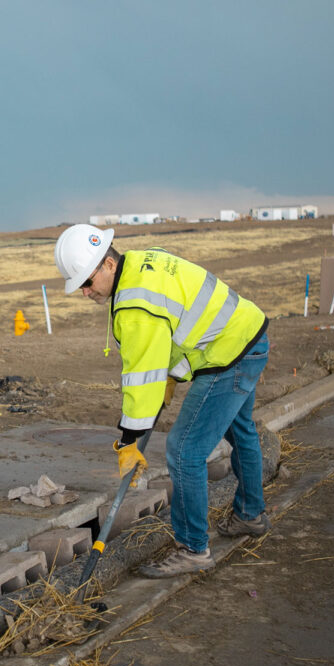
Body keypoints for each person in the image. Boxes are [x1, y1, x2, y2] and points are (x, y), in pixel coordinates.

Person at [54, 224, 271, 577]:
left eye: (86, 282)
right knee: (241, 430)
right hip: (247, 335)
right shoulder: (141, 262)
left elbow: (142, 379)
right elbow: (172, 327)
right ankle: (251, 514)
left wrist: (128, 441)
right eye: (79, 286)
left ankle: (193, 549)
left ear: (108, 263)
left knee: (184, 450)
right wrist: (171, 375)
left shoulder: (134, 304)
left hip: (228, 356)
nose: (85, 293)